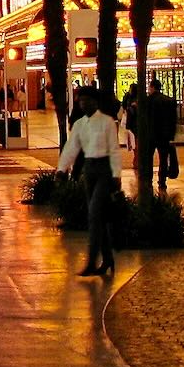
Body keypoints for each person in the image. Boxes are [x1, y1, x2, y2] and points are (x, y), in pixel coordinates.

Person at [55, 87, 121, 276]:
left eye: (87, 100)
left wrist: (116, 174)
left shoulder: (107, 122)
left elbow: (114, 149)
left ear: (95, 102)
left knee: (94, 213)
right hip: (89, 169)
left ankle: (92, 261)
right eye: (81, 100)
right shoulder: (79, 124)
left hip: (104, 170)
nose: (83, 104)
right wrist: (61, 169)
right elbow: (71, 148)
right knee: (98, 216)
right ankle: (107, 259)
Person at [144, 80, 178, 190]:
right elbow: (173, 120)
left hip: (150, 134)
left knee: (148, 159)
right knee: (163, 159)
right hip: (164, 134)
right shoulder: (169, 101)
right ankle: (162, 181)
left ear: (152, 87)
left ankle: (148, 180)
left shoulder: (147, 101)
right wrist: (171, 135)